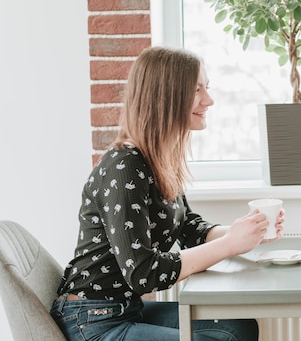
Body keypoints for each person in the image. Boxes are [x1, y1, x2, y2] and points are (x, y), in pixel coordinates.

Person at [51, 46, 284, 341]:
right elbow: (143, 272)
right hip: (93, 319)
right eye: (197, 89)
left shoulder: (158, 158)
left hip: (126, 309)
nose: (209, 100)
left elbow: (188, 227)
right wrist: (229, 245)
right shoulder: (124, 166)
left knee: (238, 327)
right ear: (166, 95)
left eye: (206, 88)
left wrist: (248, 233)